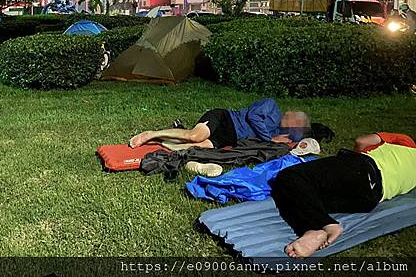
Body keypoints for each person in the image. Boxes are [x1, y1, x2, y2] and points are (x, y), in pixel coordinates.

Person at [271, 132, 416, 258]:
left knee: (290, 177)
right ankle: (314, 228)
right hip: (370, 199)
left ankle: (321, 226)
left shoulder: (407, 142)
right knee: (304, 196)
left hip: (364, 169)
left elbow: (362, 142)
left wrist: (350, 163)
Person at [129, 98, 310, 150]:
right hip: (224, 119)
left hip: (229, 138)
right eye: (297, 119)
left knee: (194, 146)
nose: (295, 123)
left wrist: (291, 140)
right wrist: (270, 138)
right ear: (291, 114)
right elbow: (254, 116)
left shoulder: (278, 130)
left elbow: (295, 140)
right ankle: (151, 133)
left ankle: (158, 141)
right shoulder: (271, 106)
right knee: (194, 135)